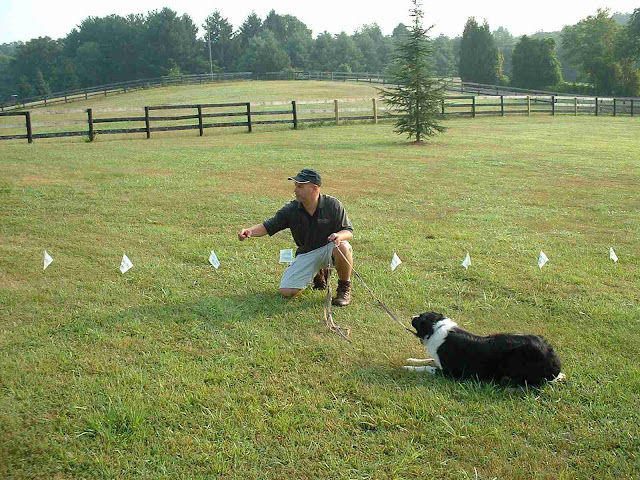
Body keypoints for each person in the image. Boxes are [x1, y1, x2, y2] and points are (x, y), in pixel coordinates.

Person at [238, 168, 354, 306]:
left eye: (300, 186)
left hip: (329, 250)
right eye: (295, 185)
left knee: (343, 246)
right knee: (286, 292)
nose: (295, 190)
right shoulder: (291, 210)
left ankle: (343, 289)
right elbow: (268, 226)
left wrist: (339, 235)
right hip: (306, 254)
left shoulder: (333, 205)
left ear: (314, 188)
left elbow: (348, 231)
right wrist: (249, 231)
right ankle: (318, 273)